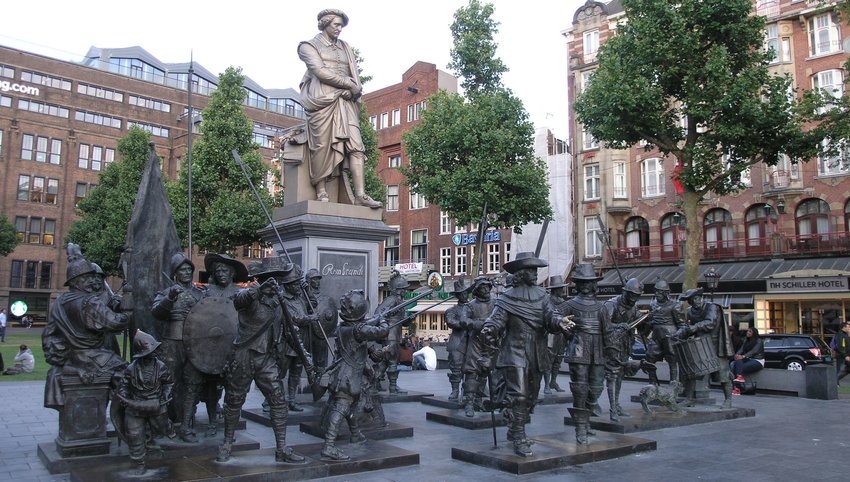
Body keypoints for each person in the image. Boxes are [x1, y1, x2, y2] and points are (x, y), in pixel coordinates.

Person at [217, 258, 312, 464]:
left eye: (278, 278)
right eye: (272, 278)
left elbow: (290, 330)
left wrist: (304, 354)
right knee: (234, 401)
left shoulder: (280, 301)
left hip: (267, 359)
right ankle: (227, 443)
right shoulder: (250, 294)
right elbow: (238, 301)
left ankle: (281, 448)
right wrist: (259, 290)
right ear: (261, 279)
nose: (276, 282)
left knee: (278, 401)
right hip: (244, 355)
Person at [479, 252, 574, 457]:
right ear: (521, 273)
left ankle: (514, 425)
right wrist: (490, 329)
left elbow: (551, 316)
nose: (535, 273)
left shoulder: (542, 296)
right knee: (519, 396)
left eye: (535, 269)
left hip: (537, 351)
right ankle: (520, 436)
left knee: (531, 397)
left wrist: (560, 322)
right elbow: (496, 321)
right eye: (531, 270)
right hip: (514, 351)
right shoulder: (506, 298)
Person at [297, 9, 381, 208]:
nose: (339, 29)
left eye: (341, 25)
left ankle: (360, 194)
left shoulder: (345, 47)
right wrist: (347, 84)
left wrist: (353, 91)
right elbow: (320, 71)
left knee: (357, 146)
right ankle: (321, 190)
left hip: (346, 102)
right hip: (323, 100)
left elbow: (355, 78)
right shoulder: (308, 46)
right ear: (325, 23)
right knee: (322, 146)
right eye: (336, 24)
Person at [42, 244, 130, 410]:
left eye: (93, 277)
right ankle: (124, 417)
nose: (92, 281)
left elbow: (48, 335)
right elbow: (116, 322)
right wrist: (129, 313)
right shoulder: (90, 301)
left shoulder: (60, 302)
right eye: (87, 278)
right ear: (76, 281)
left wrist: (61, 358)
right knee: (128, 376)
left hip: (72, 358)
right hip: (93, 357)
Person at [321, 290, 390, 460]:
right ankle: (329, 446)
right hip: (348, 377)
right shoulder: (358, 330)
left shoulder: (344, 327)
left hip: (349, 375)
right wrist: (382, 318)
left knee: (352, 406)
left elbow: (365, 346)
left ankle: (355, 433)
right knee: (341, 408)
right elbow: (382, 331)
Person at [151, 253, 206, 441]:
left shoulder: (200, 293)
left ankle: (186, 426)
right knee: (167, 383)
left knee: (192, 384)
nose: (186, 272)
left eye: (189, 269)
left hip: (196, 344)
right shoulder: (166, 292)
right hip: (172, 343)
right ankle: (162, 423)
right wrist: (170, 299)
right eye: (182, 269)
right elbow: (157, 313)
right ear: (175, 273)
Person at [197, 253, 248, 437]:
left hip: (234, 346)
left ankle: (230, 425)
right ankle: (212, 420)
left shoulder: (240, 293)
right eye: (217, 271)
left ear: (232, 273)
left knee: (233, 388)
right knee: (212, 387)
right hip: (212, 346)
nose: (221, 273)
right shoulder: (207, 292)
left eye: (224, 270)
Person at [559, 263, 609, 444]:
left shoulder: (601, 307)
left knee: (596, 387)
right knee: (580, 389)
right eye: (583, 282)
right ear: (578, 284)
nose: (586, 286)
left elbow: (607, 330)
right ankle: (580, 427)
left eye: (590, 282)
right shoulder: (569, 305)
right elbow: (556, 321)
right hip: (578, 348)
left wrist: (612, 352)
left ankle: (586, 419)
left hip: (598, 350)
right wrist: (568, 331)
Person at [115, 331, 176, 475]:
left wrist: (165, 395)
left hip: (156, 404)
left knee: (162, 428)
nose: (154, 353)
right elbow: (124, 385)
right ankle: (139, 462)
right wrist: (124, 396)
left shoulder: (160, 366)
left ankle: (155, 438)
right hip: (136, 406)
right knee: (135, 434)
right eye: (151, 351)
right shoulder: (131, 369)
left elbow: (169, 382)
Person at [674, 288, 734, 409]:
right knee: (692, 372)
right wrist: (679, 333)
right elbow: (688, 327)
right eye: (691, 300)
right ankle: (689, 398)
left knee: (723, 374)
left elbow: (710, 322)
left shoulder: (712, 307)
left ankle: (728, 400)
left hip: (716, 346)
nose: (694, 302)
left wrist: (694, 328)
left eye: (695, 298)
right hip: (700, 346)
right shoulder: (690, 312)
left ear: (700, 297)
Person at [276, 262, 318, 412]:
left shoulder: (300, 297)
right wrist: (310, 319)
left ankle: (292, 400)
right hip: (288, 341)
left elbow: (313, 304)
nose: (297, 286)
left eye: (298, 284)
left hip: (302, 340)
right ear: (287, 285)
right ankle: (273, 401)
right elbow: (293, 318)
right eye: (294, 284)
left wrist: (308, 290)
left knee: (296, 371)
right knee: (280, 372)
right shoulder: (283, 299)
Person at [603, 278, 644, 422]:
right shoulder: (611, 304)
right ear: (625, 292)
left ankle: (617, 405)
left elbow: (639, 319)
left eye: (637, 296)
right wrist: (619, 326)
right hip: (612, 345)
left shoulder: (633, 307)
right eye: (632, 296)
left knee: (620, 375)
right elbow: (604, 324)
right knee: (612, 376)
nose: (634, 299)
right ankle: (612, 409)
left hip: (625, 344)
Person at [461, 276, 496, 417]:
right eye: (483, 287)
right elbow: (464, 320)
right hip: (475, 341)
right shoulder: (470, 305)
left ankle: (478, 400)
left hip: (491, 342)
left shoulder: (496, 303)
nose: (486, 289)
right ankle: (469, 402)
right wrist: (478, 324)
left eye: (488, 287)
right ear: (477, 290)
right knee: (471, 372)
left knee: (484, 373)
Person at [641, 279, 687, 386]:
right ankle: (653, 383)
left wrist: (677, 335)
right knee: (649, 357)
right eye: (656, 291)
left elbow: (682, 324)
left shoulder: (675, 305)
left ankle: (673, 384)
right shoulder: (653, 305)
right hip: (656, 337)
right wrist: (646, 325)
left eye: (659, 292)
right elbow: (651, 323)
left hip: (670, 337)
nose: (656, 294)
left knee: (672, 360)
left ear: (666, 293)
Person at [373, 271, 412, 394]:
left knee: (386, 360)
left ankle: (375, 380)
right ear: (399, 289)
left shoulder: (399, 302)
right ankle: (393, 386)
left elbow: (403, 321)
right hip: (390, 335)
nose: (405, 291)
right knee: (392, 360)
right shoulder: (391, 300)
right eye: (403, 289)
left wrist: (410, 318)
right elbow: (378, 313)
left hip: (395, 334)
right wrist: (387, 315)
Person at [445, 278, 472, 401]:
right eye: (461, 293)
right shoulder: (452, 310)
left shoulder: (472, 308)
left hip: (471, 341)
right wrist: (464, 323)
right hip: (457, 341)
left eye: (465, 292)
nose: (464, 295)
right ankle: (455, 390)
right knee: (456, 366)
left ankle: (468, 391)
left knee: (471, 367)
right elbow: (450, 322)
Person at [544, 275, 570, 394]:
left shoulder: (564, 302)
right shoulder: (547, 302)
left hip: (562, 335)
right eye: (560, 289)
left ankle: (553, 381)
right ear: (555, 290)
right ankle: (546, 385)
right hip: (551, 334)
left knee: (558, 360)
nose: (562, 291)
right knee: (549, 360)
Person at [730, 327, 764, 394]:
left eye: (750, 331)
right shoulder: (746, 340)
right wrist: (736, 355)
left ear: (754, 333)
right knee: (735, 363)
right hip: (747, 359)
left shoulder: (759, 341)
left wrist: (743, 356)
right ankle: (739, 381)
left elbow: (754, 351)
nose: (748, 333)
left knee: (739, 367)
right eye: (747, 331)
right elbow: (741, 350)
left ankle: (737, 387)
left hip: (757, 360)